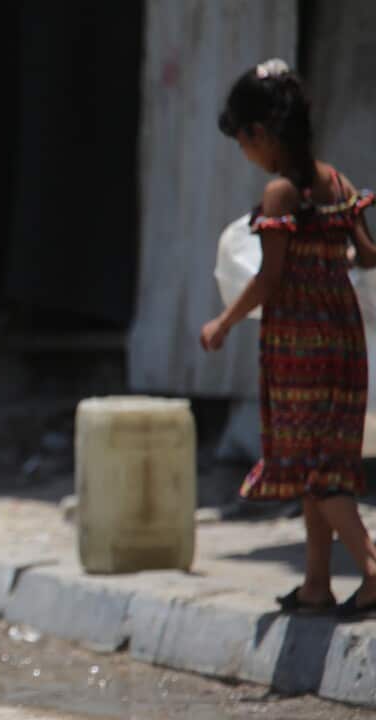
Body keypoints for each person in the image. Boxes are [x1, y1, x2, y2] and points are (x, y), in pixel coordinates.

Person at [201, 59, 376, 619]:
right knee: (319, 466)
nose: (246, 155)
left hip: (300, 347)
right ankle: (316, 585)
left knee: (318, 473)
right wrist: (334, 255)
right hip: (345, 341)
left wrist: (223, 323)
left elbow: (269, 278)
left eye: (243, 142)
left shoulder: (280, 196)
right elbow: (369, 256)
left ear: (259, 134)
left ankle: (373, 569)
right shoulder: (338, 184)